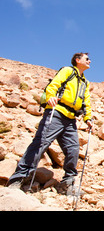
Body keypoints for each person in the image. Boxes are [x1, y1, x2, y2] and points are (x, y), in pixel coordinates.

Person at [7, 52, 93, 195]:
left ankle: (68, 183)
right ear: (77, 60)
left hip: (70, 119)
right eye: (87, 58)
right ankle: (18, 178)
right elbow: (54, 84)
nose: (90, 61)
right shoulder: (67, 71)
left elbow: (86, 102)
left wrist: (88, 118)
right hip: (56, 112)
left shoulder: (85, 82)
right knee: (40, 144)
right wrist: (51, 97)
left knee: (73, 149)